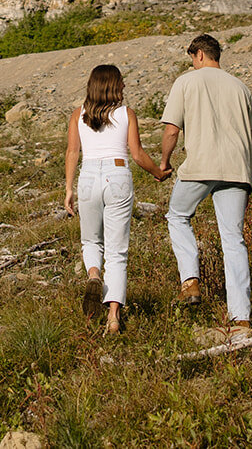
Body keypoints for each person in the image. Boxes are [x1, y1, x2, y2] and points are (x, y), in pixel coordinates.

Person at [160, 33, 252, 336]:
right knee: (233, 239)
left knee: (177, 216)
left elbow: (171, 130)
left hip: (199, 167)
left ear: (198, 55)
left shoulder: (187, 82)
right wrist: (247, 176)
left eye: (192, 59)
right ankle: (241, 318)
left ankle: (190, 280)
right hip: (237, 170)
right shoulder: (241, 87)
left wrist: (164, 162)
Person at [64, 63, 168, 334]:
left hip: (87, 177)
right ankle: (113, 317)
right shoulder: (126, 114)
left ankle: (94, 274)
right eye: (121, 82)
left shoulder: (78, 115)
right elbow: (137, 154)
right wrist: (159, 172)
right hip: (117, 174)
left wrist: (68, 189)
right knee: (117, 251)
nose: (124, 86)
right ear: (113, 85)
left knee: (90, 240)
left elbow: (72, 152)